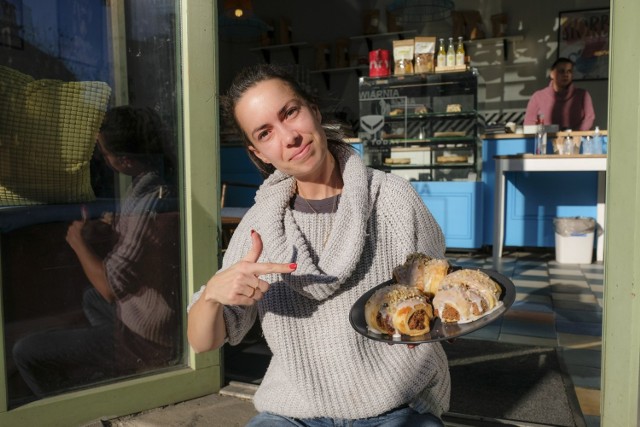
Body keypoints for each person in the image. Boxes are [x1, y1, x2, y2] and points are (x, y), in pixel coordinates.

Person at [187, 64, 450, 426]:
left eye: (290, 113)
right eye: (266, 133)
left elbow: (438, 290)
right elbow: (202, 342)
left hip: (395, 404)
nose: (289, 137)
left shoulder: (392, 199)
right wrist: (211, 296)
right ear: (258, 152)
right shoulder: (261, 227)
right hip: (295, 412)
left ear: (314, 110)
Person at [12, 106, 181, 398]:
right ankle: (107, 363)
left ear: (124, 160)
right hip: (148, 314)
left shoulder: (149, 203)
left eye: (104, 153)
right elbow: (137, 239)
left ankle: (71, 403)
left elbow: (109, 289)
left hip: (147, 337)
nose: (104, 158)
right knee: (89, 299)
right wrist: (111, 225)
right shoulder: (147, 184)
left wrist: (77, 241)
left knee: (25, 350)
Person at [524, 57, 595, 131]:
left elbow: (589, 118)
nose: (566, 74)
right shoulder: (538, 97)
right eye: (561, 71)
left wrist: (575, 134)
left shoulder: (583, 95)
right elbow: (528, 123)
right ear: (552, 74)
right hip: (546, 140)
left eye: (569, 71)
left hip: (575, 140)